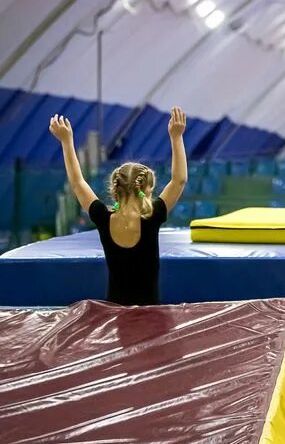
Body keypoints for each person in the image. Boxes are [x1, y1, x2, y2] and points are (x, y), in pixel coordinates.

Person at [49, 107, 188, 305]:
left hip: (114, 315)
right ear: (146, 191)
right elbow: (179, 180)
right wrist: (176, 137)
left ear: (116, 189)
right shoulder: (153, 216)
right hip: (150, 314)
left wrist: (66, 142)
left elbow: (78, 182)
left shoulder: (102, 217)